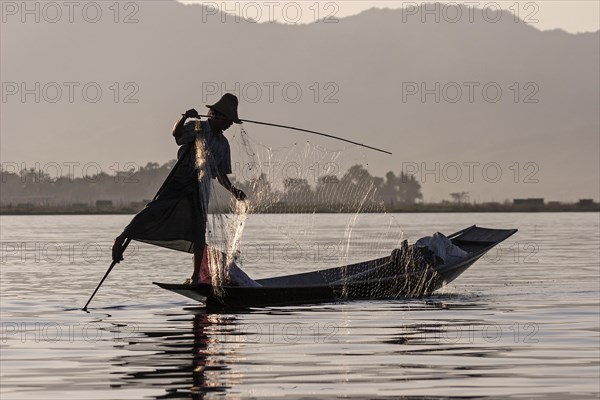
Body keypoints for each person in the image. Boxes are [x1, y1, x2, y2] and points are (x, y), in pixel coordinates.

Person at [112, 93, 246, 284]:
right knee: (156, 209)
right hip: (181, 178)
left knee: (199, 230)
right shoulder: (198, 127)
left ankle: (195, 278)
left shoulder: (223, 144)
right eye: (229, 119)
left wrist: (233, 191)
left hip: (201, 187)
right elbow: (177, 134)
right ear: (216, 115)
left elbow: (220, 174)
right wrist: (184, 117)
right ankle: (121, 237)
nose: (230, 124)